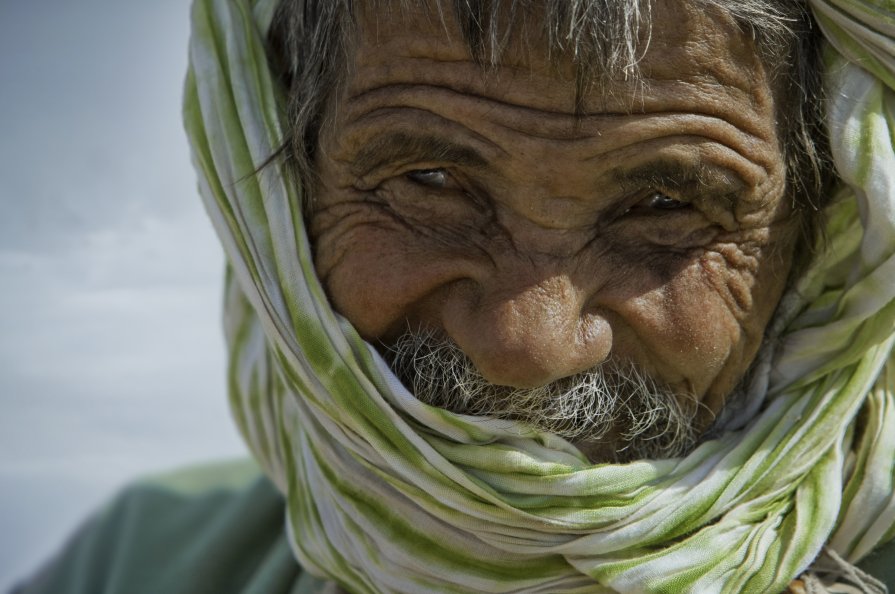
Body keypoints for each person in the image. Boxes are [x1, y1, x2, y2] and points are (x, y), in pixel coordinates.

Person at [14, 0, 895, 592]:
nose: (525, 348)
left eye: (664, 207)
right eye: (428, 181)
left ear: (829, 240)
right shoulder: (141, 563)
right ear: (278, 200)